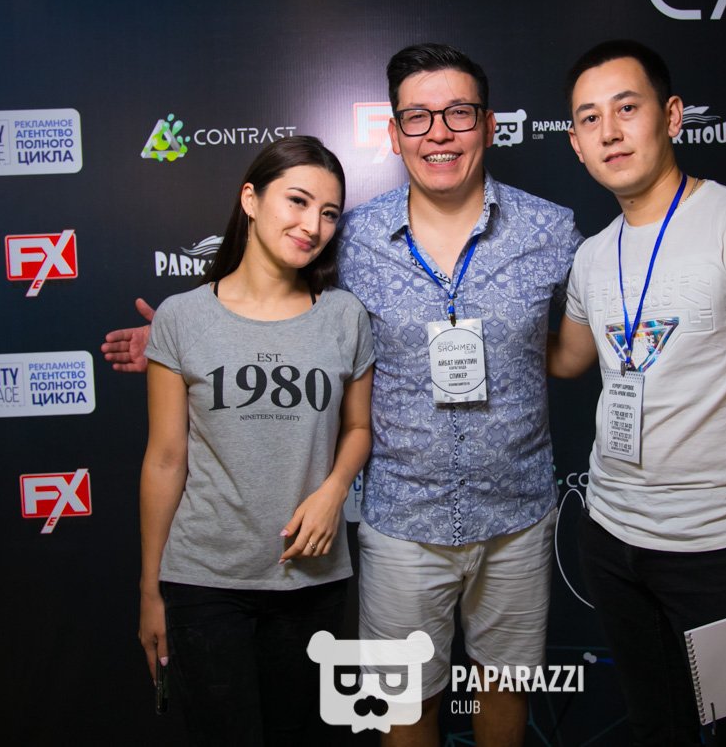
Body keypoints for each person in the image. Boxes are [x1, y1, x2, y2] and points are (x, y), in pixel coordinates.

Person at [108, 45, 580, 746]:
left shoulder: (552, 228)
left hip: (517, 512)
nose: (439, 132)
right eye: (418, 117)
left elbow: (586, 333)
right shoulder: (351, 237)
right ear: (394, 133)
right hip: (400, 517)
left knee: (506, 689)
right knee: (404, 704)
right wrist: (181, 342)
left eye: (458, 112)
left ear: (488, 124)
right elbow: (269, 302)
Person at [546, 40, 726, 746]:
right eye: (589, 118)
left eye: (627, 108)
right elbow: (568, 359)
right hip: (611, 539)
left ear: (671, 116)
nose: (609, 132)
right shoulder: (592, 254)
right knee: (656, 730)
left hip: (722, 549)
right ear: (576, 144)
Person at [137, 135, 374, 745]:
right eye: (297, 201)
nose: (313, 226)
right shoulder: (182, 316)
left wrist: (333, 491)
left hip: (312, 579)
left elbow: (357, 427)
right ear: (250, 198)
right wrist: (150, 589)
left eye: (329, 213)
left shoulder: (344, 315)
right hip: (204, 579)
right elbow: (165, 459)